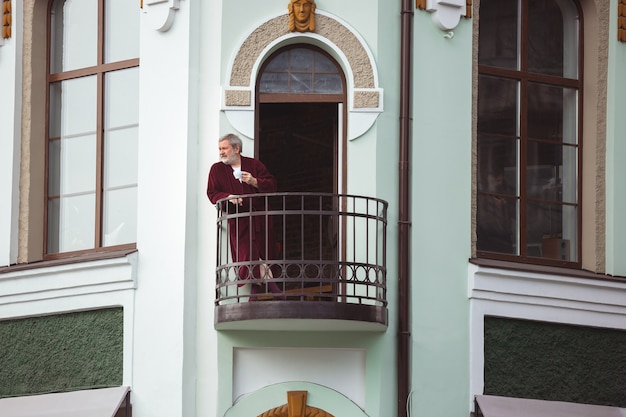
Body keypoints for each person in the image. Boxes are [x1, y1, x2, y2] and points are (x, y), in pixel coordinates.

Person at [207, 133, 283, 300]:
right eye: (220, 149)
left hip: (260, 219)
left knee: (262, 256)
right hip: (239, 222)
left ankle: (254, 297)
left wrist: (255, 182)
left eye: (224, 148)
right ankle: (277, 294)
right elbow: (212, 193)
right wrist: (228, 197)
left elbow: (272, 185)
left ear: (237, 148)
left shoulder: (253, 164)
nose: (221, 152)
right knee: (248, 257)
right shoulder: (217, 169)